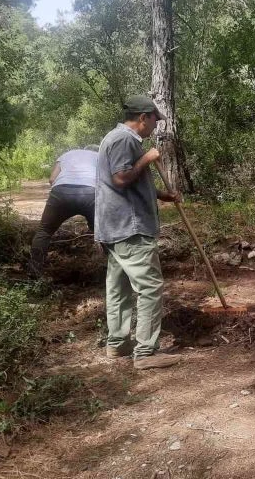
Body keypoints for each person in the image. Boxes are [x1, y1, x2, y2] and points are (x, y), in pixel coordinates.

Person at [95, 95, 182, 370]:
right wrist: (147, 157)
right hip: (130, 228)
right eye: (155, 119)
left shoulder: (114, 138)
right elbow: (121, 179)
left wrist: (162, 196)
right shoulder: (125, 140)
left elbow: (127, 180)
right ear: (143, 117)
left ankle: (118, 344)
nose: (156, 125)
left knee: (119, 287)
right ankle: (145, 353)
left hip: (114, 227)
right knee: (150, 287)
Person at [28, 146, 99, 279]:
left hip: (61, 191)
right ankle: (114, 273)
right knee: (104, 233)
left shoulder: (67, 154)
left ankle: (34, 273)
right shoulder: (99, 156)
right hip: (91, 192)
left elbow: (51, 179)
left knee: (44, 231)